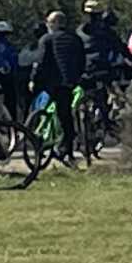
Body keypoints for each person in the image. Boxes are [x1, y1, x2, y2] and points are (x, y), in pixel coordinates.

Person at [31, 10, 88, 160]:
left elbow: (41, 62)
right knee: (65, 116)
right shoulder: (75, 39)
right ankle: (65, 150)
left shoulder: (46, 39)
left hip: (51, 82)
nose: (47, 24)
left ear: (55, 23)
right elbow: (82, 61)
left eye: (49, 21)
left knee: (40, 109)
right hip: (68, 83)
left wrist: (34, 80)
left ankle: (35, 136)